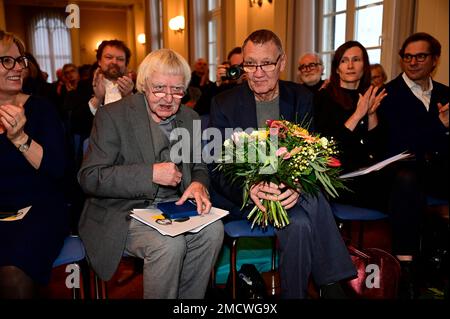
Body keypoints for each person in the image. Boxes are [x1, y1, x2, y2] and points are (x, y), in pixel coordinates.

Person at [209, 29, 356, 299]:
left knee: (300, 221)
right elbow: (217, 166)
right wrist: (250, 187)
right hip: (246, 198)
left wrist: (297, 185)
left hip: (291, 195)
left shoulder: (301, 98)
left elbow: (311, 152)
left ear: (282, 63)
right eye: (250, 64)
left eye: (266, 63)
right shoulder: (223, 103)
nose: (258, 72)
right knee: (311, 205)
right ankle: (333, 284)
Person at [78, 48, 224, 299]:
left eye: (177, 90)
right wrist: (149, 174)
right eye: (159, 88)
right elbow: (90, 177)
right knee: (169, 244)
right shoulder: (113, 115)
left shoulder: (189, 117)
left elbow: (199, 166)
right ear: (143, 84)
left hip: (173, 207)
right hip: (122, 211)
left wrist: (199, 183)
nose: (168, 98)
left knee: (214, 231)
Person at [0, 30, 69, 298]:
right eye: (7, 60)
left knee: (12, 273)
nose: (17, 68)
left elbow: (58, 170)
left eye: (20, 60)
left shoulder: (41, 109)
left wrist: (19, 138)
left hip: (38, 209)